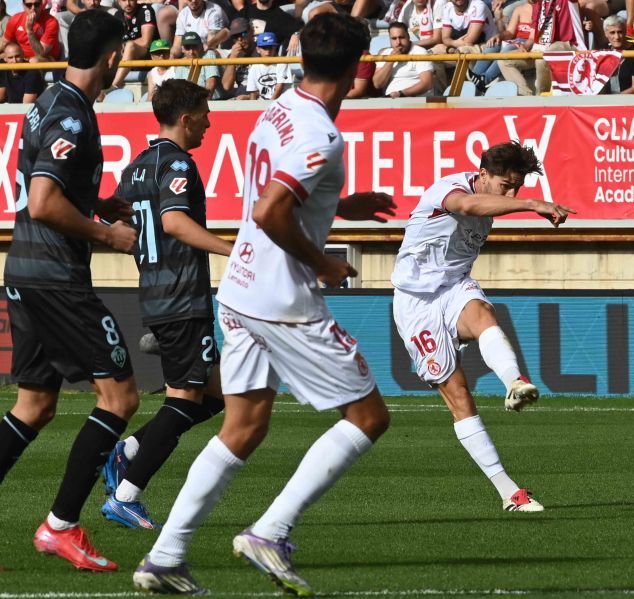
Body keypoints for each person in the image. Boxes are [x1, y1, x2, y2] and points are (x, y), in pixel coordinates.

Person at [133, 13, 394, 595]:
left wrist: (341, 204)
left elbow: (281, 194)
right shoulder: (321, 135)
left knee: (244, 424)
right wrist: (324, 261)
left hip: (242, 287)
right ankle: (271, 532)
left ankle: (165, 556)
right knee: (370, 417)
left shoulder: (279, 105)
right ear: (356, 71)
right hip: (283, 297)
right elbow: (269, 210)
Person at [0, 10, 139, 572]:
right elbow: (41, 201)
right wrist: (106, 232)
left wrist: (96, 204)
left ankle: (61, 526)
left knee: (33, 406)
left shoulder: (49, 101)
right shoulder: (72, 116)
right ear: (110, 57)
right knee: (121, 397)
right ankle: (61, 526)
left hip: (25, 269)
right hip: (55, 277)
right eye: (122, 54)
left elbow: (46, 188)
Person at [391, 141, 572, 513]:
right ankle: (509, 491)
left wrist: (519, 200)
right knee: (459, 397)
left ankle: (514, 383)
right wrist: (533, 204)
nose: (513, 194)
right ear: (483, 175)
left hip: (454, 286)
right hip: (416, 302)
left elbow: (485, 207)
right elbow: (468, 206)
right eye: (506, 186)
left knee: (484, 314)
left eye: (518, 187)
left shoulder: (494, 201)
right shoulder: (449, 190)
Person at [99, 79, 231, 530]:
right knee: (187, 398)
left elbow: (112, 215)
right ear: (187, 117)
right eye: (206, 114)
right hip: (181, 298)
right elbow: (174, 222)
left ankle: (131, 449)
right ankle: (127, 492)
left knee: (218, 394)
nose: (210, 123)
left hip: (155, 294)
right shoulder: (177, 164)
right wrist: (231, 249)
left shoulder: (135, 166)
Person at [374, 22, 434, 97]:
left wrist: (401, 94)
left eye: (401, 37)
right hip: (390, 102)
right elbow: (377, 84)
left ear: (408, 37)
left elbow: (427, 83)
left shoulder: (420, 52)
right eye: (394, 38)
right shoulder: (385, 54)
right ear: (390, 39)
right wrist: (390, 61)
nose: (398, 42)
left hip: (415, 102)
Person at [109, 0, 158, 90]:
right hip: (125, 56)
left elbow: (145, 42)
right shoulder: (117, 15)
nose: (127, 3)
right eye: (123, 0)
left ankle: (115, 85)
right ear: (118, 2)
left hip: (148, 54)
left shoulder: (145, 10)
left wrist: (124, 46)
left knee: (130, 45)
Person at [245, 31, 293, 100]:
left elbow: (280, 87)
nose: (268, 51)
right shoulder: (254, 67)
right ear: (258, 49)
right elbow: (253, 93)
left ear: (275, 48)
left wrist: (269, 105)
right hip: (263, 104)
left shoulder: (282, 62)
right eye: (264, 47)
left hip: (282, 102)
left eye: (270, 47)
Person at [173, 31, 222, 98]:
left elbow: (211, 82)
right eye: (187, 47)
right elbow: (178, 88)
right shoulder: (181, 63)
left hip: (214, 102)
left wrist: (204, 103)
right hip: (193, 103)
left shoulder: (209, 54)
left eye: (194, 47)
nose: (191, 51)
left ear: (201, 46)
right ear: (182, 49)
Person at [599, 15, 634, 94]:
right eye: (612, 33)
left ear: (625, 32)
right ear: (606, 34)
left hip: (628, 100)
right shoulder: (603, 51)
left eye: (620, 32)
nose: (616, 37)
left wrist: (616, 100)